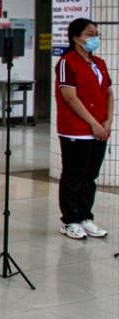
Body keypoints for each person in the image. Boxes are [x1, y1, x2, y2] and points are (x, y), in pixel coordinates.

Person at [55, 18, 112, 240]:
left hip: (100, 129)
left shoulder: (99, 63)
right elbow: (70, 97)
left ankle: (85, 217)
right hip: (76, 130)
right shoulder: (66, 63)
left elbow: (108, 93)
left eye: (96, 34)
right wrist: (93, 123)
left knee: (90, 175)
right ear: (76, 38)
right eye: (90, 34)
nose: (94, 38)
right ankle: (70, 220)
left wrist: (108, 121)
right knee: (74, 175)